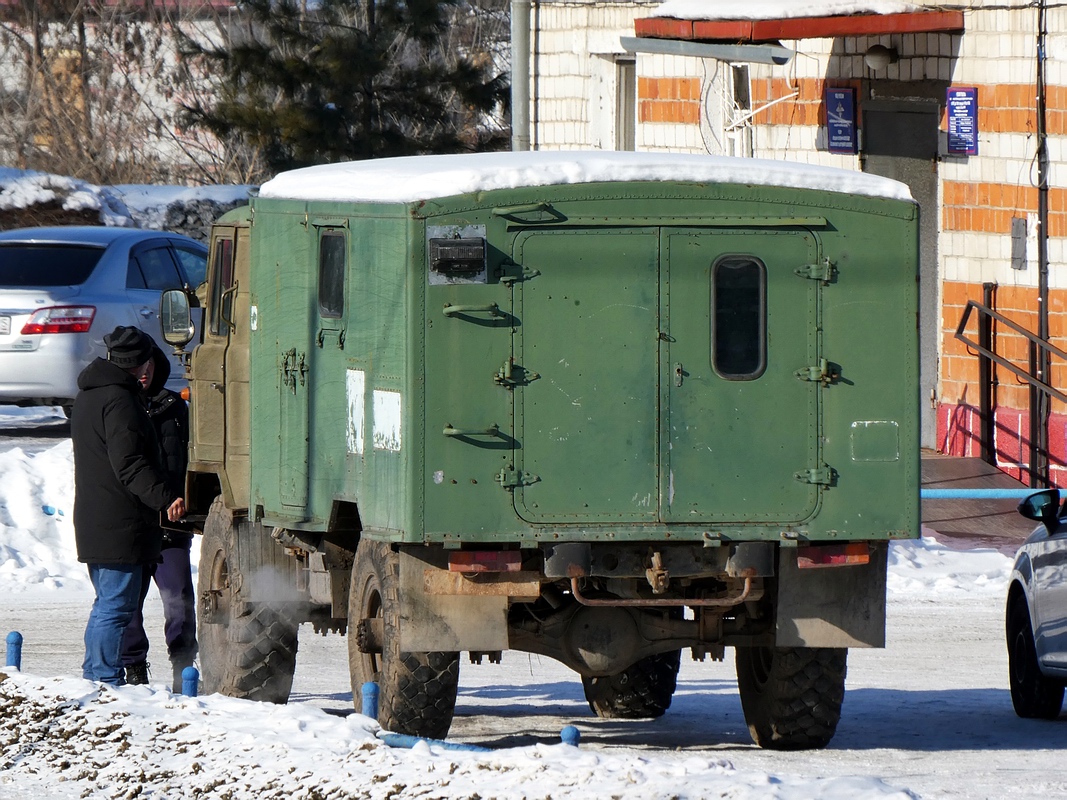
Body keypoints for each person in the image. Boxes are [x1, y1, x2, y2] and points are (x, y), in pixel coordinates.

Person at [71, 326, 185, 687]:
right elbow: (130, 465)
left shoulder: (90, 395)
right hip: (118, 521)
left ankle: (97, 675)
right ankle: (104, 679)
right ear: (142, 366)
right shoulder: (120, 401)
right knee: (115, 608)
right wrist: (166, 499)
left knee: (107, 604)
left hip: (97, 517)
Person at [120, 344, 198, 692]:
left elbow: (189, 459)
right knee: (128, 607)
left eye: (148, 363)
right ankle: (134, 669)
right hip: (131, 525)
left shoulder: (174, 406)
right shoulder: (117, 406)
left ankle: (183, 670)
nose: (144, 371)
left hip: (171, 524)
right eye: (137, 364)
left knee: (179, 601)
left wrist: (188, 503)